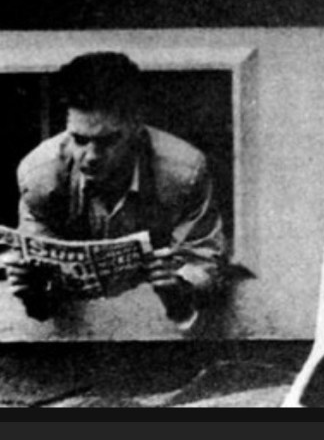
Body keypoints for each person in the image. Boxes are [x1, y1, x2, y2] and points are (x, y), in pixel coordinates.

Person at [5, 53, 227, 331]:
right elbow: (41, 289)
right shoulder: (41, 174)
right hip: (74, 327)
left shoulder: (184, 171)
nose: (91, 157)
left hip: (155, 323)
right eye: (79, 140)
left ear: (137, 127)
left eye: (107, 141)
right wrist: (32, 287)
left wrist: (182, 284)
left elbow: (204, 260)